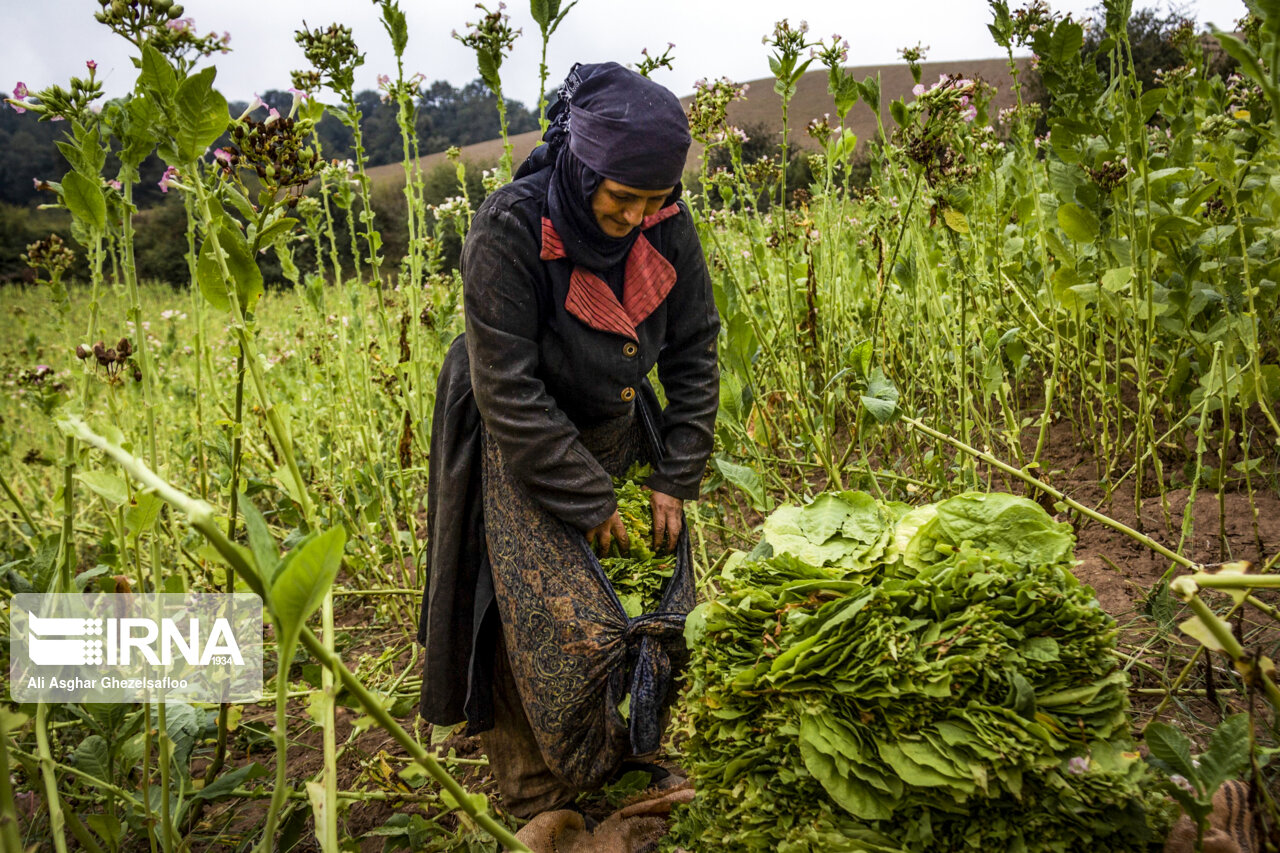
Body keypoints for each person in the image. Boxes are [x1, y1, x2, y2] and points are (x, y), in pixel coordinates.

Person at [415, 61, 720, 819]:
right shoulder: (511, 227)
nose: (636, 216)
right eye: (623, 200)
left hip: (612, 417)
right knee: (519, 603)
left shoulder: (665, 228)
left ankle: (626, 749)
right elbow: (508, 388)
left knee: (629, 598)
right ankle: (536, 787)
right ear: (584, 171)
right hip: (512, 428)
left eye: (657, 200)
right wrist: (585, 497)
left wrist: (675, 472)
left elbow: (696, 350)